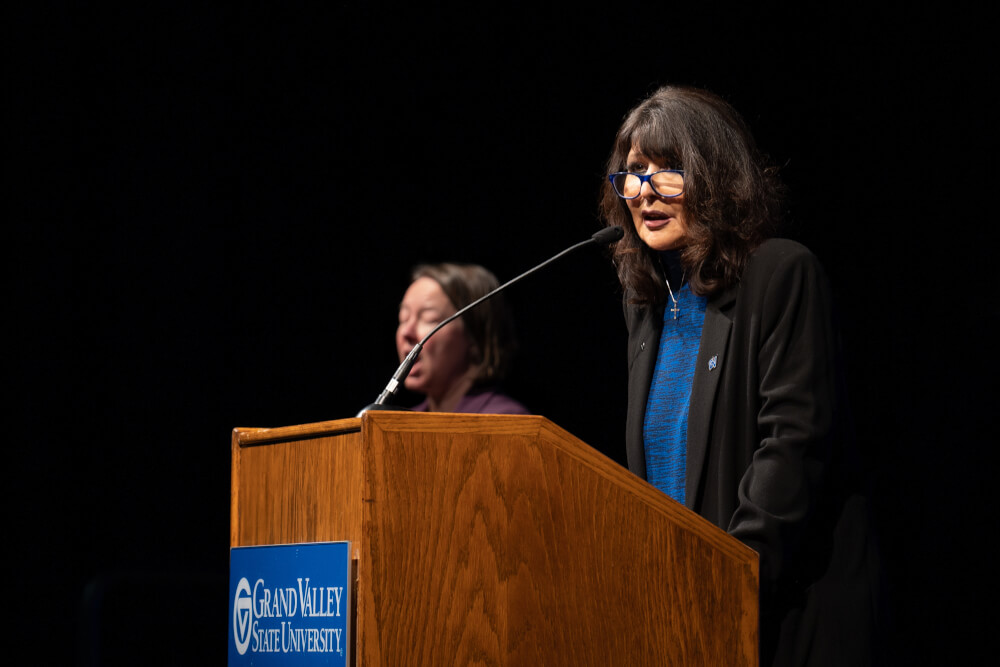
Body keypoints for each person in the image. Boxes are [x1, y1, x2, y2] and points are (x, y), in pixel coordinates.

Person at [600, 85, 883, 666]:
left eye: (667, 170)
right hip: (683, 620)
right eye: (632, 172)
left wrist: (728, 580)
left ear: (715, 175)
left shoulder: (779, 273)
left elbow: (793, 446)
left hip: (780, 615)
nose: (645, 190)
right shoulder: (647, 308)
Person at [395, 262, 529, 415]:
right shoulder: (403, 426)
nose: (406, 332)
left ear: (475, 335)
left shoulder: (505, 422)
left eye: (429, 318)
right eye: (403, 318)